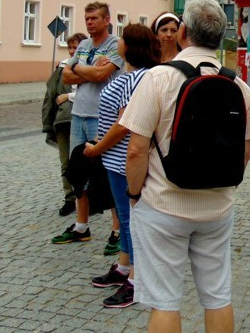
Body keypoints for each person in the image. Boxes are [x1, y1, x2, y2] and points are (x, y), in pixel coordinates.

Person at [122, 0, 250, 332]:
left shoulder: (157, 78)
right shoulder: (239, 87)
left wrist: (134, 195)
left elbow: (136, 150)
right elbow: (245, 153)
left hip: (164, 204)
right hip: (217, 208)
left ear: (182, 32)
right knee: (218, 296)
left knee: (165, 301)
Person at [83, 24, 160, 308]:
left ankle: (136, 281)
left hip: (122, 157)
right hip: (115, 158)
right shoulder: (133, 74)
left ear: (129, 45)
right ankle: (124, 266)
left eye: (122, 38)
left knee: (130, 221)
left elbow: (125, 123)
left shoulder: (137, 78)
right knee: (126, 217)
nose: (118, 42)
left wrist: (98, 148)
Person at [51, 2, 124, 254]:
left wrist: (79, 69)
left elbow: (100, 76)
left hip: (101, 116)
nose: (89, 22)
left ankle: (117, 231)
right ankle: (81, 226)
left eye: (94, 18)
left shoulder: (115, 45)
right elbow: (66, 76)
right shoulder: (83, 45)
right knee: (77, 172)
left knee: (108, 174)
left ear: (107, 20)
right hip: (79, 114)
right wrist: (89, 70)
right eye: (87, 18)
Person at [42, 32, 87, 216]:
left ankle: (86, 198)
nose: (72, 51)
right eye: (70, 47)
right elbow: (50, 96)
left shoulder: (92, 68)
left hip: (86, 119)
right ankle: (69, 198)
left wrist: (68, 96)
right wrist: (48, 123)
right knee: (66, 162)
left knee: (85, 162)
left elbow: (94, 94)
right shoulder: (62, 68)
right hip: (64, 120)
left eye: (76, 47)